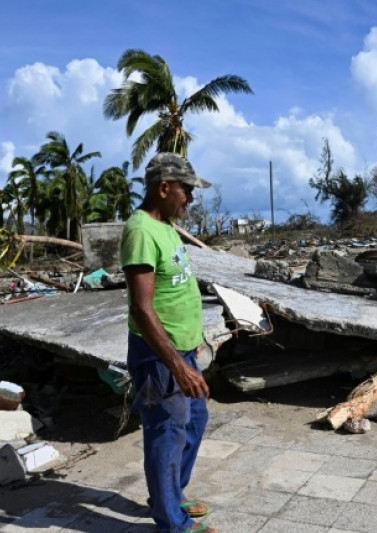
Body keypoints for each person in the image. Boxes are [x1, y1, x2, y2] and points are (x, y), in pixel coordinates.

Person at [120, 152, 217, 533]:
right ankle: (171, 523)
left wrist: (193, 346)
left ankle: (170, 495)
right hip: (159, 357)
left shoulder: (166, 227)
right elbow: (142, 309)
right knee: (167, 432)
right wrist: (177, 364)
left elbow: (175, 291)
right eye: (186, 191)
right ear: (163, 188)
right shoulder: (141, 230)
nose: (190, 199)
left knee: (194, 420)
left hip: (183, 351)